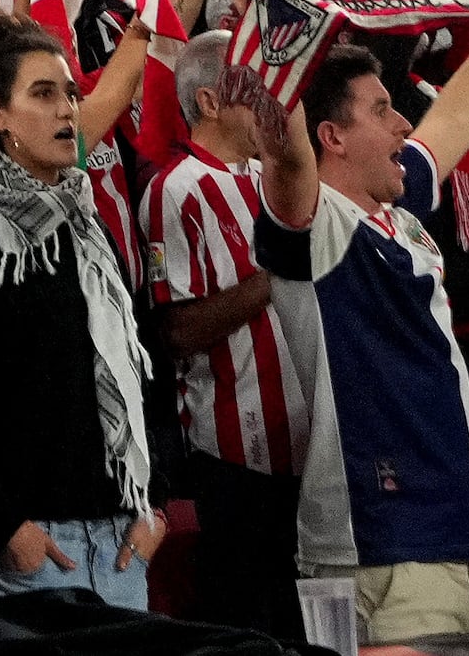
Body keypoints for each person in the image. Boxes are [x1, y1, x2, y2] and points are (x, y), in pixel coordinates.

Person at [256, 19, 469, 640]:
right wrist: (269, 31)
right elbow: (286, 152)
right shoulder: (315, 226)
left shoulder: (398, 219)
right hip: (379, 545)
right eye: (382, 111)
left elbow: (454, 122)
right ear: (333, 137)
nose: (405, 123)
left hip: (459, 535)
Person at [0, 11, 167, 605]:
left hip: (123, 548)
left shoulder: (91, 231)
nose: (68, 109)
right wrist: (4, 528)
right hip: (22, 561)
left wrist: (157, 508)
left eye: (70, 93)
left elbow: (148, 371)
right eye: (43, 94)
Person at [149, 33, 312, 637]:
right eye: (255, 89)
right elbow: (176, 331)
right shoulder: (177, 188)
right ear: (213, 102)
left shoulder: (278, 174)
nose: (270, 103)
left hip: (311, 448)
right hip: (236, 463)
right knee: (249, 630)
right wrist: (279, 272)